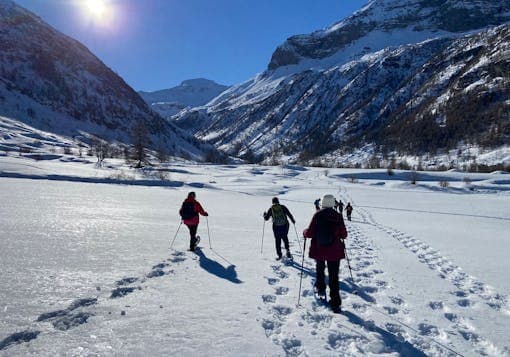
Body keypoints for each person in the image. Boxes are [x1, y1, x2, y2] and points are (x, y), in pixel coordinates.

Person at [303, 194, 347, 313]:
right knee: (333, 276)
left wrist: (305, 232)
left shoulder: (318, 215)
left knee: (320, 269)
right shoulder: (338, 216)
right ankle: (335, 303)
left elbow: (310, 233)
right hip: (335, 251)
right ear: (333, 204)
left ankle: (321, 289)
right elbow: (344, 235)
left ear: (322, 203)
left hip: (320, 249)